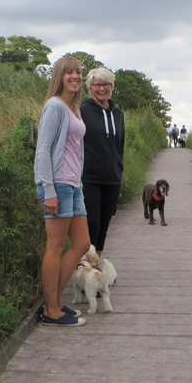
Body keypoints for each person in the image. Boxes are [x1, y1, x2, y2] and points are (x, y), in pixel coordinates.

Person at [34, 55, 90, 327]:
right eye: (69, 73)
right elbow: (43, 149)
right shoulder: (55, 106)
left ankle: (53, 302)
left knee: (81, 244)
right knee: (55, 246)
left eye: (78, 72)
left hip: (74, 184)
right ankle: (51, 310)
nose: (75, 76)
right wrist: (49, 189)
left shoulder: (73, 108)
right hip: (58, 184)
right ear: (60, 76)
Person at [81, 67, 125, 260]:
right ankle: (85, 266)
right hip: (89, 177)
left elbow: (119, 146)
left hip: (112, 178)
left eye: (105, 84)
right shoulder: (82, 110)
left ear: (112, 87)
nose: (101, 89)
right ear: (90, 88)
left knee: (104, 225)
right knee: (92, 224)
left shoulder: (118, 113)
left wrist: (119, 171)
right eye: (97, 85)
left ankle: (95, 264)